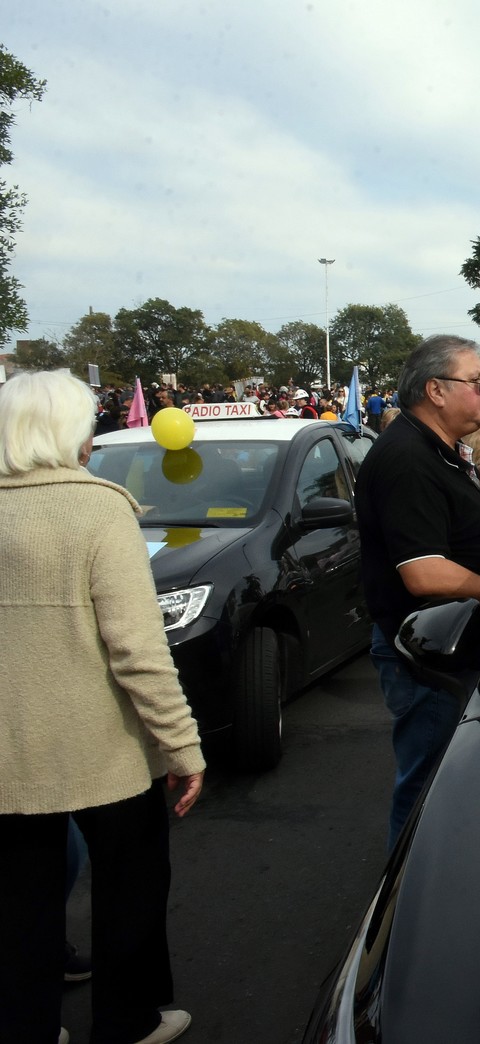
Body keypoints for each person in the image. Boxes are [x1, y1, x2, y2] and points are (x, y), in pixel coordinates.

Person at [0, 369, 206, 1044]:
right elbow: (138, 650)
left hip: (8, 754)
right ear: (75, 433)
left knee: (19, 897)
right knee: (131, 883)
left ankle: (27, 1025)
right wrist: (182, 746)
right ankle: (128, 1020)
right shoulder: (98, 508)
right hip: (105, 748)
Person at [355, 336, 480, 848]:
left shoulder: (438, 449)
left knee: (449, 784)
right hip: (429, 659)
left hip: (457, 651)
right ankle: (406, 907)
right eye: (478, 381)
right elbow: (426, 575)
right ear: (436, 390)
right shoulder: (407, 458)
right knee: (428, 790)